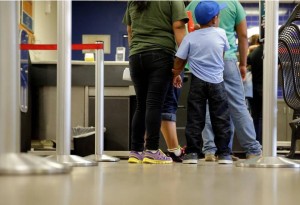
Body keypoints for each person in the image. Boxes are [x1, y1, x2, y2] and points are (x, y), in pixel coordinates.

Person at [186, 0, 262, 161]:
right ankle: (252, 149)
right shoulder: (233, 4)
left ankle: (209, 150)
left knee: (205, 106)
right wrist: (242, 63)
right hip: (226, 60)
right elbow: (242, 36)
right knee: (238, 105)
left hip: (200, 63)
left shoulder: (193, 5)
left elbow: (187, 31)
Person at [123, 1, 188, 164]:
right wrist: (180, 63)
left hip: (136, 56)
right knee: (154, 104)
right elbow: (179, 28)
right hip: (161, 54)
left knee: (141, 105)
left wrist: (137, 51)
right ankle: (152, 150)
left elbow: (130, 30)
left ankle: (136, 151)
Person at [173, 1, 232, 164]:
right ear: (214, 19)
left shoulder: (190, 37)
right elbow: (221, 53)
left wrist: (176, 74)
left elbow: (179, 60)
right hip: (217, 82)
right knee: (221, 117)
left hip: (197, 81)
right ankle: (224, 154)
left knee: (194, 118)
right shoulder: (221, 33)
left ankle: (192, 153)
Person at [247, 40, 264, 145]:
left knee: (255, 117)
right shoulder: (271, 52)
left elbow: (245, 64)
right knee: (265, 117)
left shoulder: (253, 53)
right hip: (265, 88)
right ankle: (264, 143)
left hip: (253, 88)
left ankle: (256, 142)